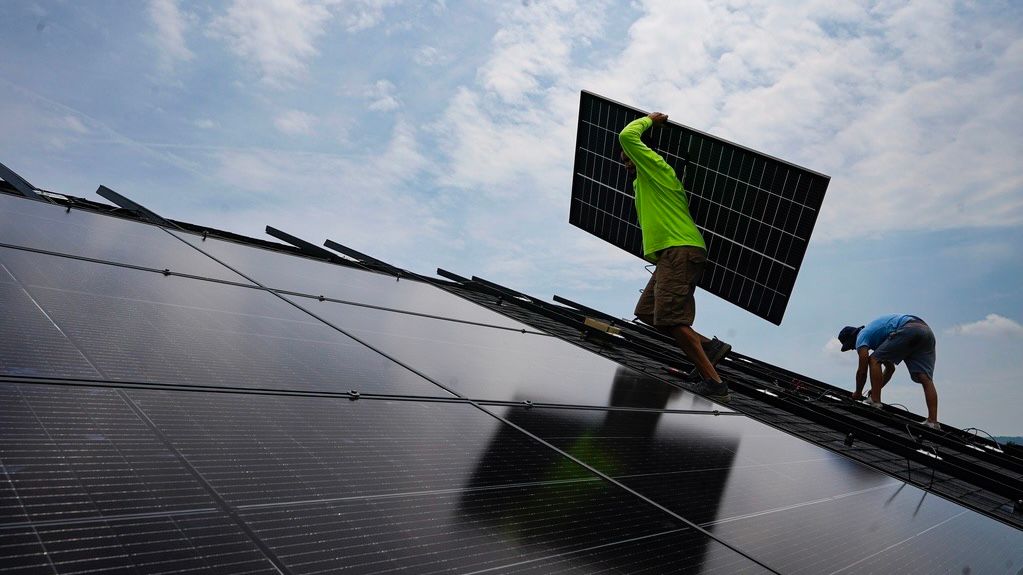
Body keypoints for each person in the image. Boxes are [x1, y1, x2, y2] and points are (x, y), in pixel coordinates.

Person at [620, 112, 732, 403]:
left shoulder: (657, 169)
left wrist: (649, 120)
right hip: (670, 255)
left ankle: (714, 383)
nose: (625, 161)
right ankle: (709, 348)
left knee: (671, 317)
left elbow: (627, 137)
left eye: (628, 157)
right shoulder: (644, 182)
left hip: (680, 250)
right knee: (647, 311)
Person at [837, 314, 939, 429]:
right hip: (926, 331)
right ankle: (933, 422)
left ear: (852, 339)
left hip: (909, 328)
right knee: (925, 378)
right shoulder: (877, 338)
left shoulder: (861, 336)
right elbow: (890, 369)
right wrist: (875, 388)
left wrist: (858, 392)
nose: (854, 348)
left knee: (873, 359)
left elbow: (862, 370)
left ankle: (875, 401)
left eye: (851, 346)